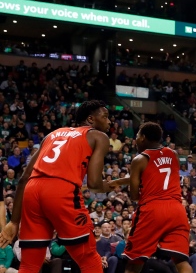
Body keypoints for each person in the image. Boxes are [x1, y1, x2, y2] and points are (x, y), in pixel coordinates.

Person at [0, 100, 113, 273]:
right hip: (61, 189)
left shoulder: (54, 133)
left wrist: (14, 222)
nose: (109, 121)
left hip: (33, 189)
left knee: (30, 264)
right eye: (105, 116)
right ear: (91, 119)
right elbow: (94, 184)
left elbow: (23, 178)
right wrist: (122, 182)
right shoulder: (99, 136)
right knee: (89, 258)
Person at [115, 122, 193, 273]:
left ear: (143, 137)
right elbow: (160, 174)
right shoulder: (173, 154)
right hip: (177, 210)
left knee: (133, 263)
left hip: (152, 210)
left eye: (137, 136)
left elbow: (134, 196)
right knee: (181, 261)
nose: (135, 139)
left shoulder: (140, 159)